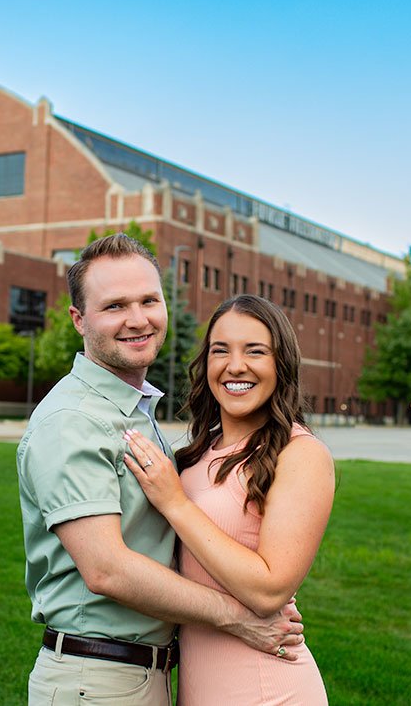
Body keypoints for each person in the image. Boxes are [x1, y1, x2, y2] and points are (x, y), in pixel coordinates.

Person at [18, 235, 305, 705]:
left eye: (149, 300)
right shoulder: (72, 421)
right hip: (98, 679)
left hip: (140, 675)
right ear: (79, 319)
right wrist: (236, 616)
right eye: (114, 306)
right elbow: (107, 570)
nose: (138, 319)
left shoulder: (131, 411)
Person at [123, 294, 336, 705]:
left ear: (281, 364)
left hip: (267, 688)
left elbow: (269, 590)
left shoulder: (300, 453)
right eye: (221, 351)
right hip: (199, 688)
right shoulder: (199, 453)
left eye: (255, 351)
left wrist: (176, 504)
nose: (235, 366)